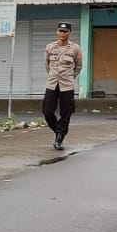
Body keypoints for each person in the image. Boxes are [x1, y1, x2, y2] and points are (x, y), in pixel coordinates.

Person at [43, 21, 83, 151]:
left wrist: (69, 77)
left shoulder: (75, 48)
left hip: (67, 85)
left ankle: (59, 139)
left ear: (70, 33)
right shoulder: (50, 47)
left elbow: (78, 66)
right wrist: (54, 75)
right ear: (57, 32)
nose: (62, 33)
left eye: (65, 31)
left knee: (66, 113)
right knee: (47, 111)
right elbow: (47, 65)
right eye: (60, 31)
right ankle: (59, 131)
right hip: (52, 84)